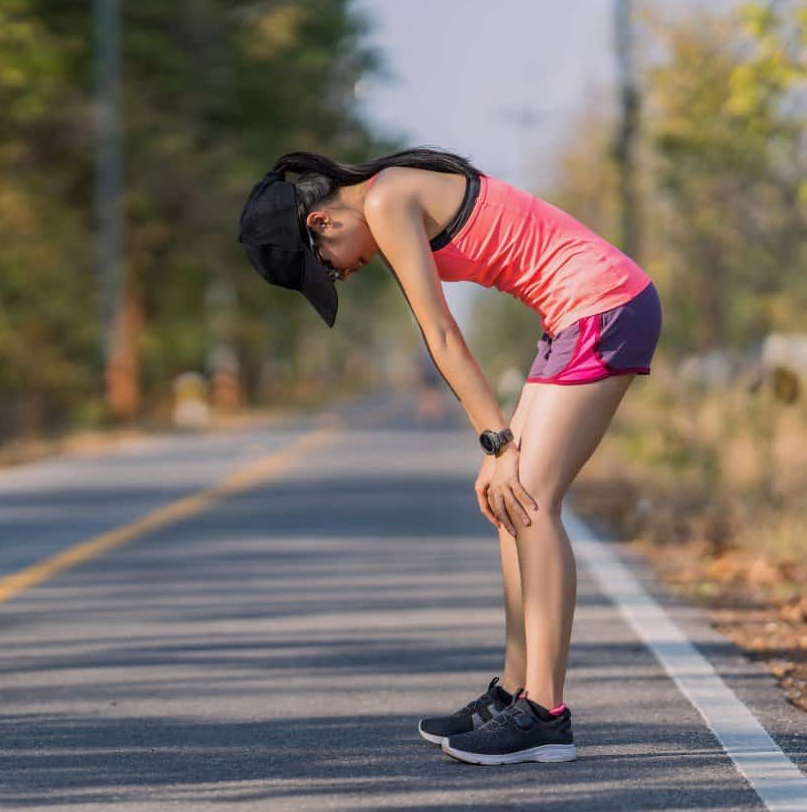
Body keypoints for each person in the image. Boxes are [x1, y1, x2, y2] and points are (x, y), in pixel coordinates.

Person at [236, 146, 662, 765]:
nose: (339, 274)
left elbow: (438, 332)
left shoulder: (385, 200)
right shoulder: (387, 196)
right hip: (576, 314)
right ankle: (516, 691)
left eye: (323, 267)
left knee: (530, 499)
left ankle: (546, 714)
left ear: (320, 223)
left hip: (605, 306)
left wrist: (496, 443)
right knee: (506, 501)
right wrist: (497, 452)